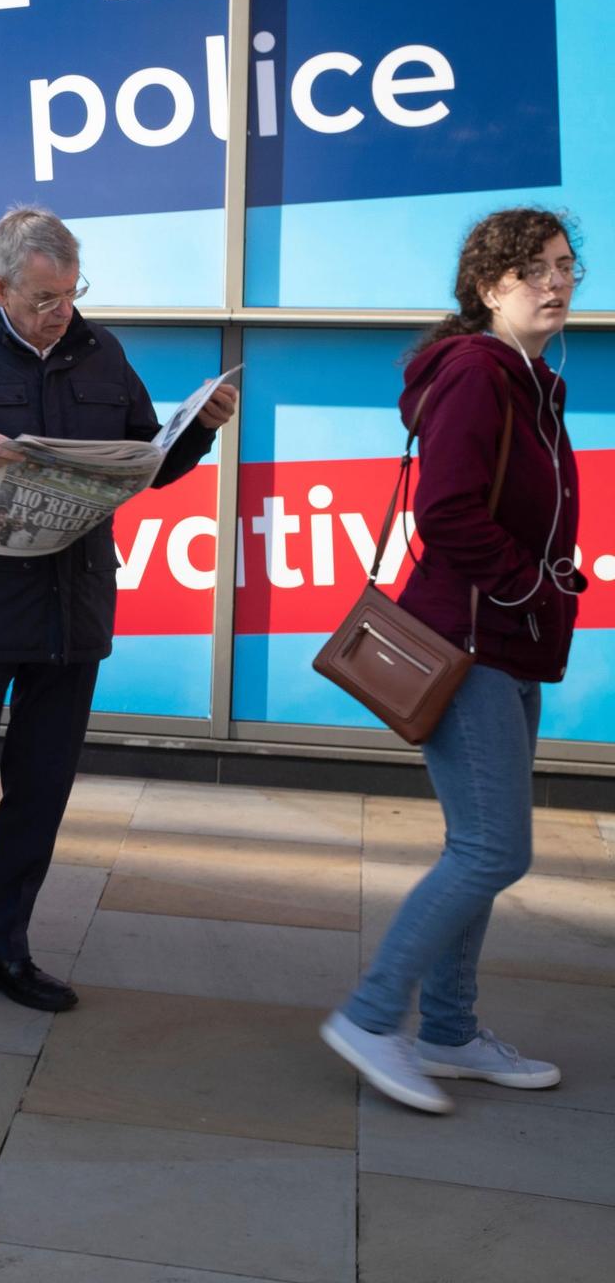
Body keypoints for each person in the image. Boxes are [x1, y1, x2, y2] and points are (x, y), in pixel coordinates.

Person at [0, 206, 235, 1015]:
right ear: (0, 287)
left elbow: (145, 457)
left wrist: (198, 432)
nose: (61, 311)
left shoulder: (101, 351)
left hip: (72, 612)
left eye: (71, 293)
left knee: (40, 792)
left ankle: (3, 951)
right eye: (44, 297)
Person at [322, 208, 584, 1113]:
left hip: (508, 637)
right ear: (487, 287)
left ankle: (449, 1031)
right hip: (473, 642)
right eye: (532, 272)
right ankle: (370, 1015)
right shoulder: (480, 372)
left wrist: (545, 587)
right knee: (491, 849)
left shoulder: (531, 376)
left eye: (564, 266)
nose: (555, 284)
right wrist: (531, 585)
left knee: (478, 846)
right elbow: (446, 514)